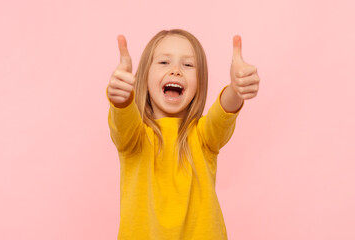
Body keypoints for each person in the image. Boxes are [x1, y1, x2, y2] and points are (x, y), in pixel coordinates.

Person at [106, 29, 260, 240]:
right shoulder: (134, 138)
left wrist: (236, 89)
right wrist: (121, 97)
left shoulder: (204, 136)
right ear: (144, 76)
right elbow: (122, 118)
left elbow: (223, 112)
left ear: (200, 82)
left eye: (188, 65)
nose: (176, 70)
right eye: (163, 63)